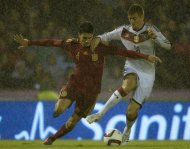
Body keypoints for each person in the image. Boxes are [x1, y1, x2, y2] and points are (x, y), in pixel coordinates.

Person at [14, 21, 161, 145]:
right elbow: (52, 42)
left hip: (91, 92)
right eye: (84, 38)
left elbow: (124, 52)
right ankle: (62, 103)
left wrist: (146, 56)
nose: (86, 41)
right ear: (79, 35)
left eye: (89, 38)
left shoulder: (101, 47)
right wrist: (29, 42)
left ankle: (52, 138)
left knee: (72, 123)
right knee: (59, 110)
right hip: (75, 84)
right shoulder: (72, 44)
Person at [86, 4, 171, 145]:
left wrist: (155, 38)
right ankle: (100, 114)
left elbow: (168, 45)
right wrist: (98, 39)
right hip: (131, 67)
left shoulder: (151, 30)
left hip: (148, 73)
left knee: (131, 113)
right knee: (128, 84)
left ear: (142, 17)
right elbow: (106, 36)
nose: (132, 21)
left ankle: (127, 130)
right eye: (130, 18)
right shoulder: (124, 31)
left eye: (135, 18)